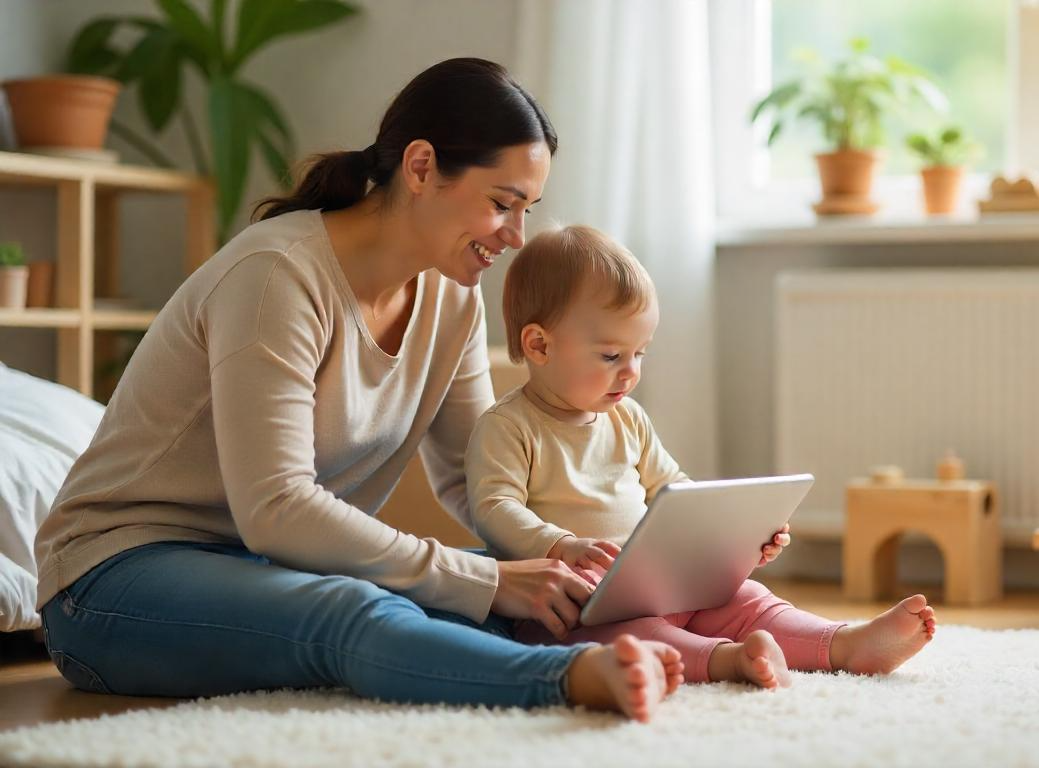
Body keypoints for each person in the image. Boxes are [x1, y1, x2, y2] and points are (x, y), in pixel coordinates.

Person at [34, 58, 682, 723]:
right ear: (422, 167)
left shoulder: (453, 300)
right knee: (368, 608)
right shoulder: (277, 275)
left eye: (526, 211)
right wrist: (483, 582)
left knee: (500, 583)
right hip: (112, 584)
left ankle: (681, 644)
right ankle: (565, 679)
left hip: (272, 569)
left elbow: (478, 476)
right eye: (501, 204)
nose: (516, 237)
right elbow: (277, 508)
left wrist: (563, 551)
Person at [466, 225, 938, 689]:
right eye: (611, 356)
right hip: (571, 605)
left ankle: (844, 644)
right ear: (539, 345)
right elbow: (494, 509)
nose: (630, 373)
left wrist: (735, 535)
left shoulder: (627, 418)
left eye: (640, 353)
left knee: (748, 600)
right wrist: (560, 544)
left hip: (656, 580)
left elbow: (676, 489)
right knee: (638, 637)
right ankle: (727, 661)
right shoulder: (508, 426)